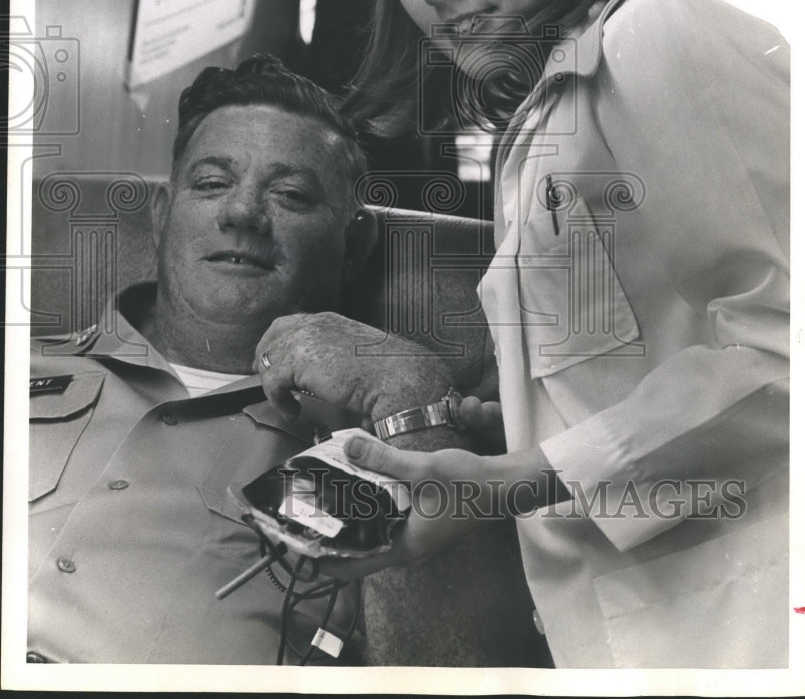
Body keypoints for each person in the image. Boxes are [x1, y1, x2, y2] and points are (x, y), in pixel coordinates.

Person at [255, 0, 790, 669]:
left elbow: (789, 350)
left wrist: (518, 478)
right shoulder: (543, 123)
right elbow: (654, 355)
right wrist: (507, 423)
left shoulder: (658, 37)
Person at [28, 54, 541, 666]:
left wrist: (410, 389)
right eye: (213, 183)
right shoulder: (22, 368)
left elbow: (454, 673)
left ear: (354, 246)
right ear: (163, 217)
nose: (241, 213)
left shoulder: (368, 450)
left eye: (290, 194)